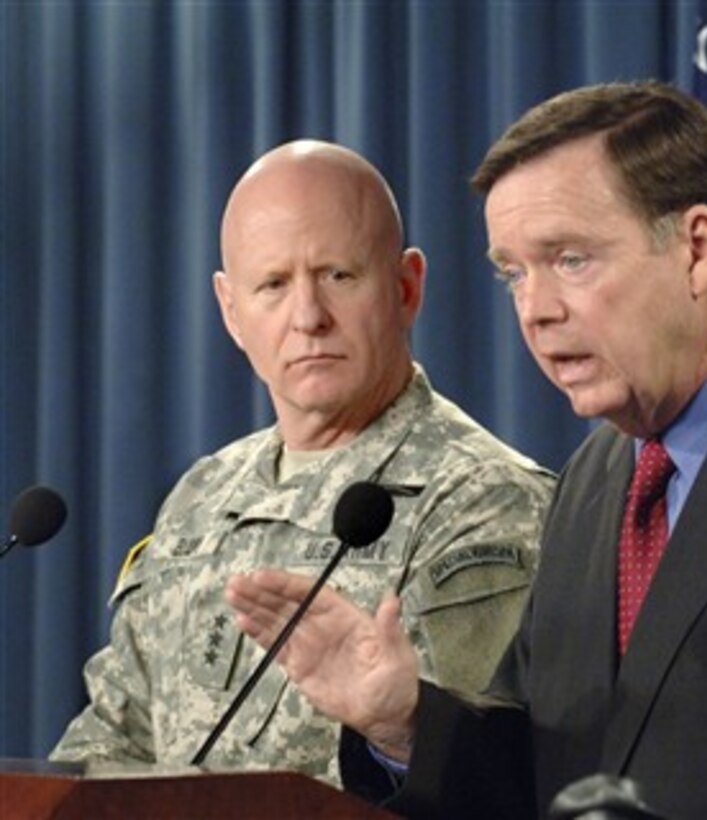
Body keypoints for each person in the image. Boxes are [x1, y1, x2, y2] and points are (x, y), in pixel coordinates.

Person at [225, 83, 707, 818]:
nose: (534, 310)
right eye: (512, 274)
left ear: (696, 247)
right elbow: (550, 774)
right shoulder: (598, 479)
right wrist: (402, 720)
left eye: (570, 259)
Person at [49, 140, 556, 787]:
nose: (308, 317)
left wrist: (395, 729)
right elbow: (113, 738)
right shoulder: (201, 497)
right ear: (232, 312)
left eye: (337, 276)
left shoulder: (489, 499)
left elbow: (478, 780)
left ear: (405, 287)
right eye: (272, 285)